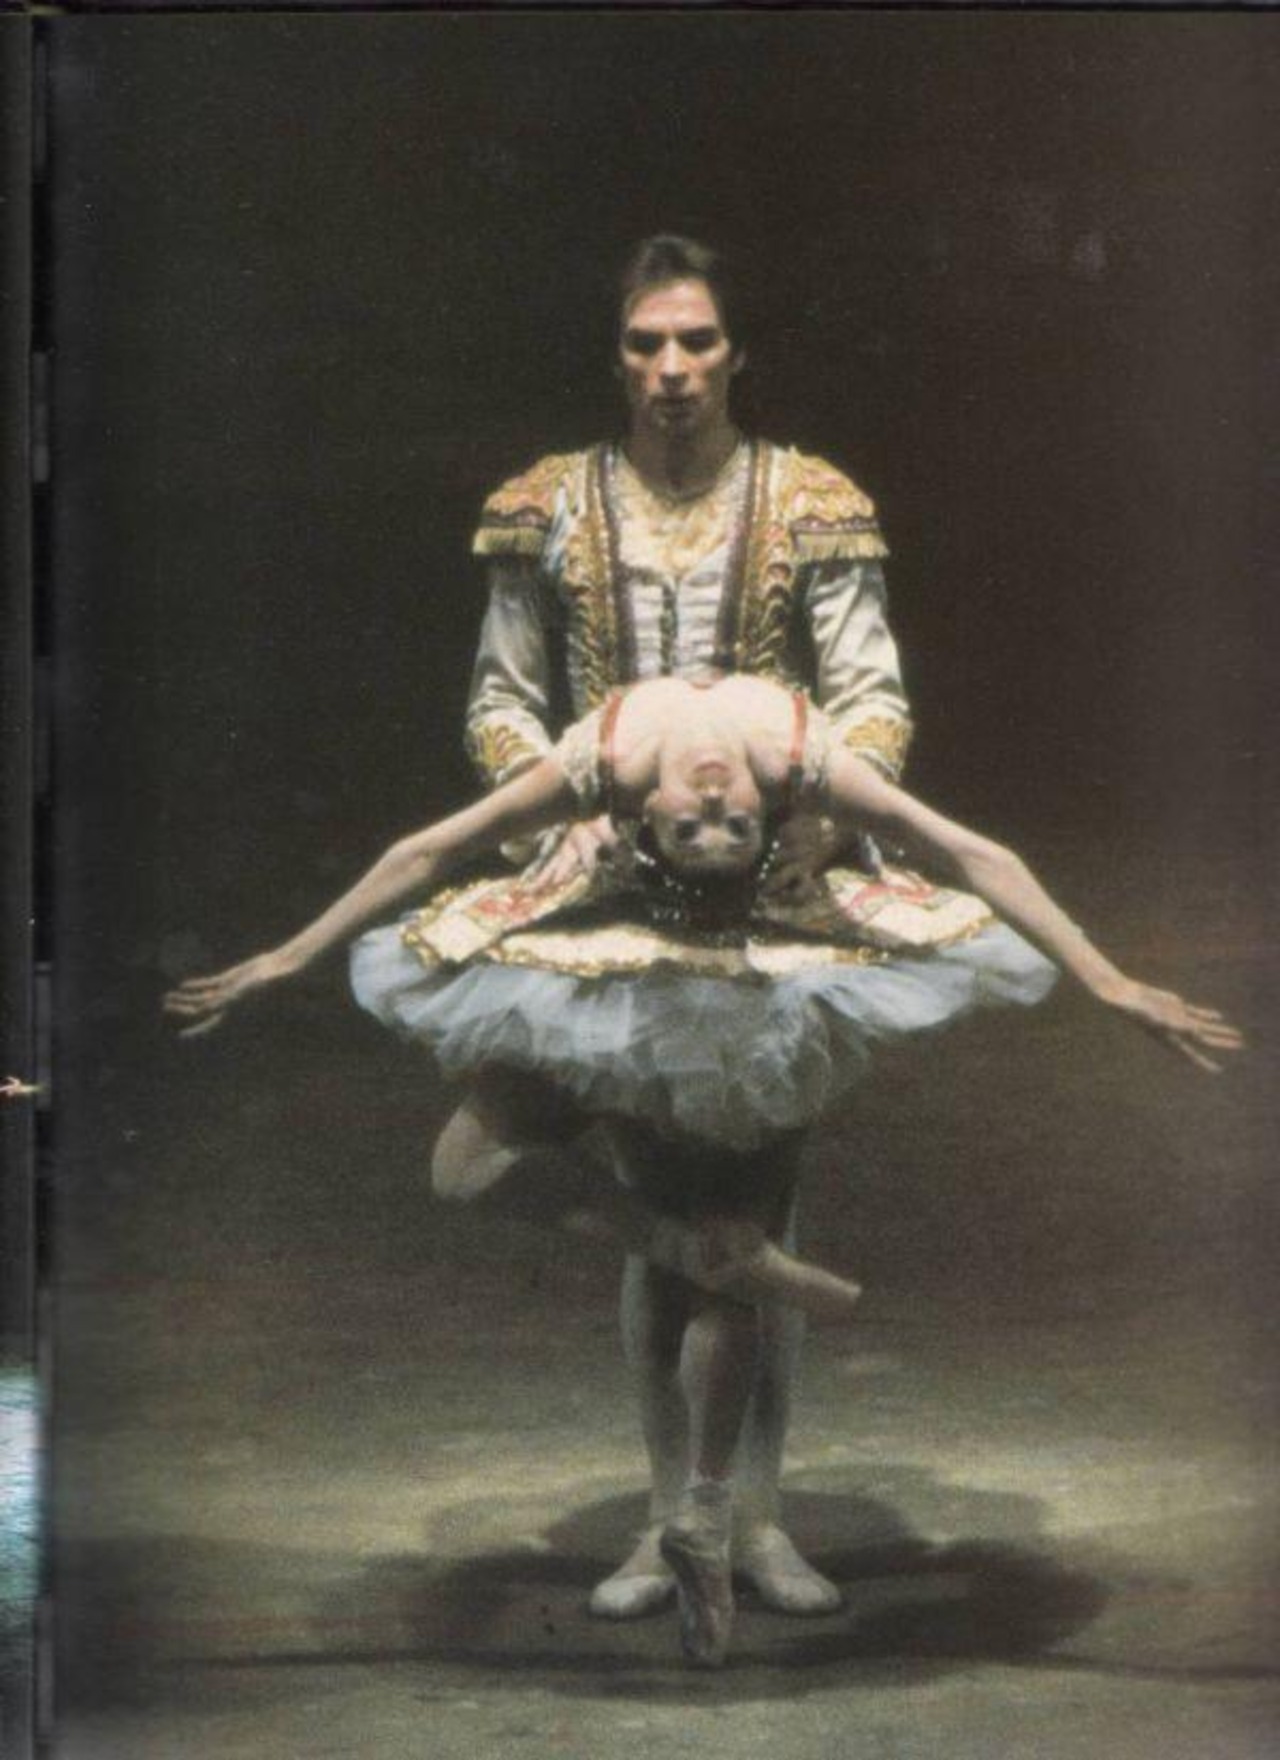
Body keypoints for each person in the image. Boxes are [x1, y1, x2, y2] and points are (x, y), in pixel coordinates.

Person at [164, 672, 1241, 1668]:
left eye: (727, 822)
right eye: (699, 823)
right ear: (643, 824)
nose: (718, 801)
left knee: (732, 1226)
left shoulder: (655, 762)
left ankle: (708, 1515)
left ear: (766, 824)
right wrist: (287, 957)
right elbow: (429, 849)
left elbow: (968, 853)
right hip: (619, 942)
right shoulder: (746, 759)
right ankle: (693, 1265)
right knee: (474, 1166)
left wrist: (1105, 979)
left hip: (753, 972)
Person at [462, 234, 913, 1621]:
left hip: (761, 889)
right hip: (612, 887)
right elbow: (500, 697)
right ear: (617, 356)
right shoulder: (549, 504)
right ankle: (671, 1516)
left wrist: (811, 820)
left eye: (697, 340)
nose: (671, 367)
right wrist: (559, 824)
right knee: (654, 1195)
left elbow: (871, 697)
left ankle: (754, 1515)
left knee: (760, 1198)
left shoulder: (810, 501)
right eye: (646, 341)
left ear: (735, 352)